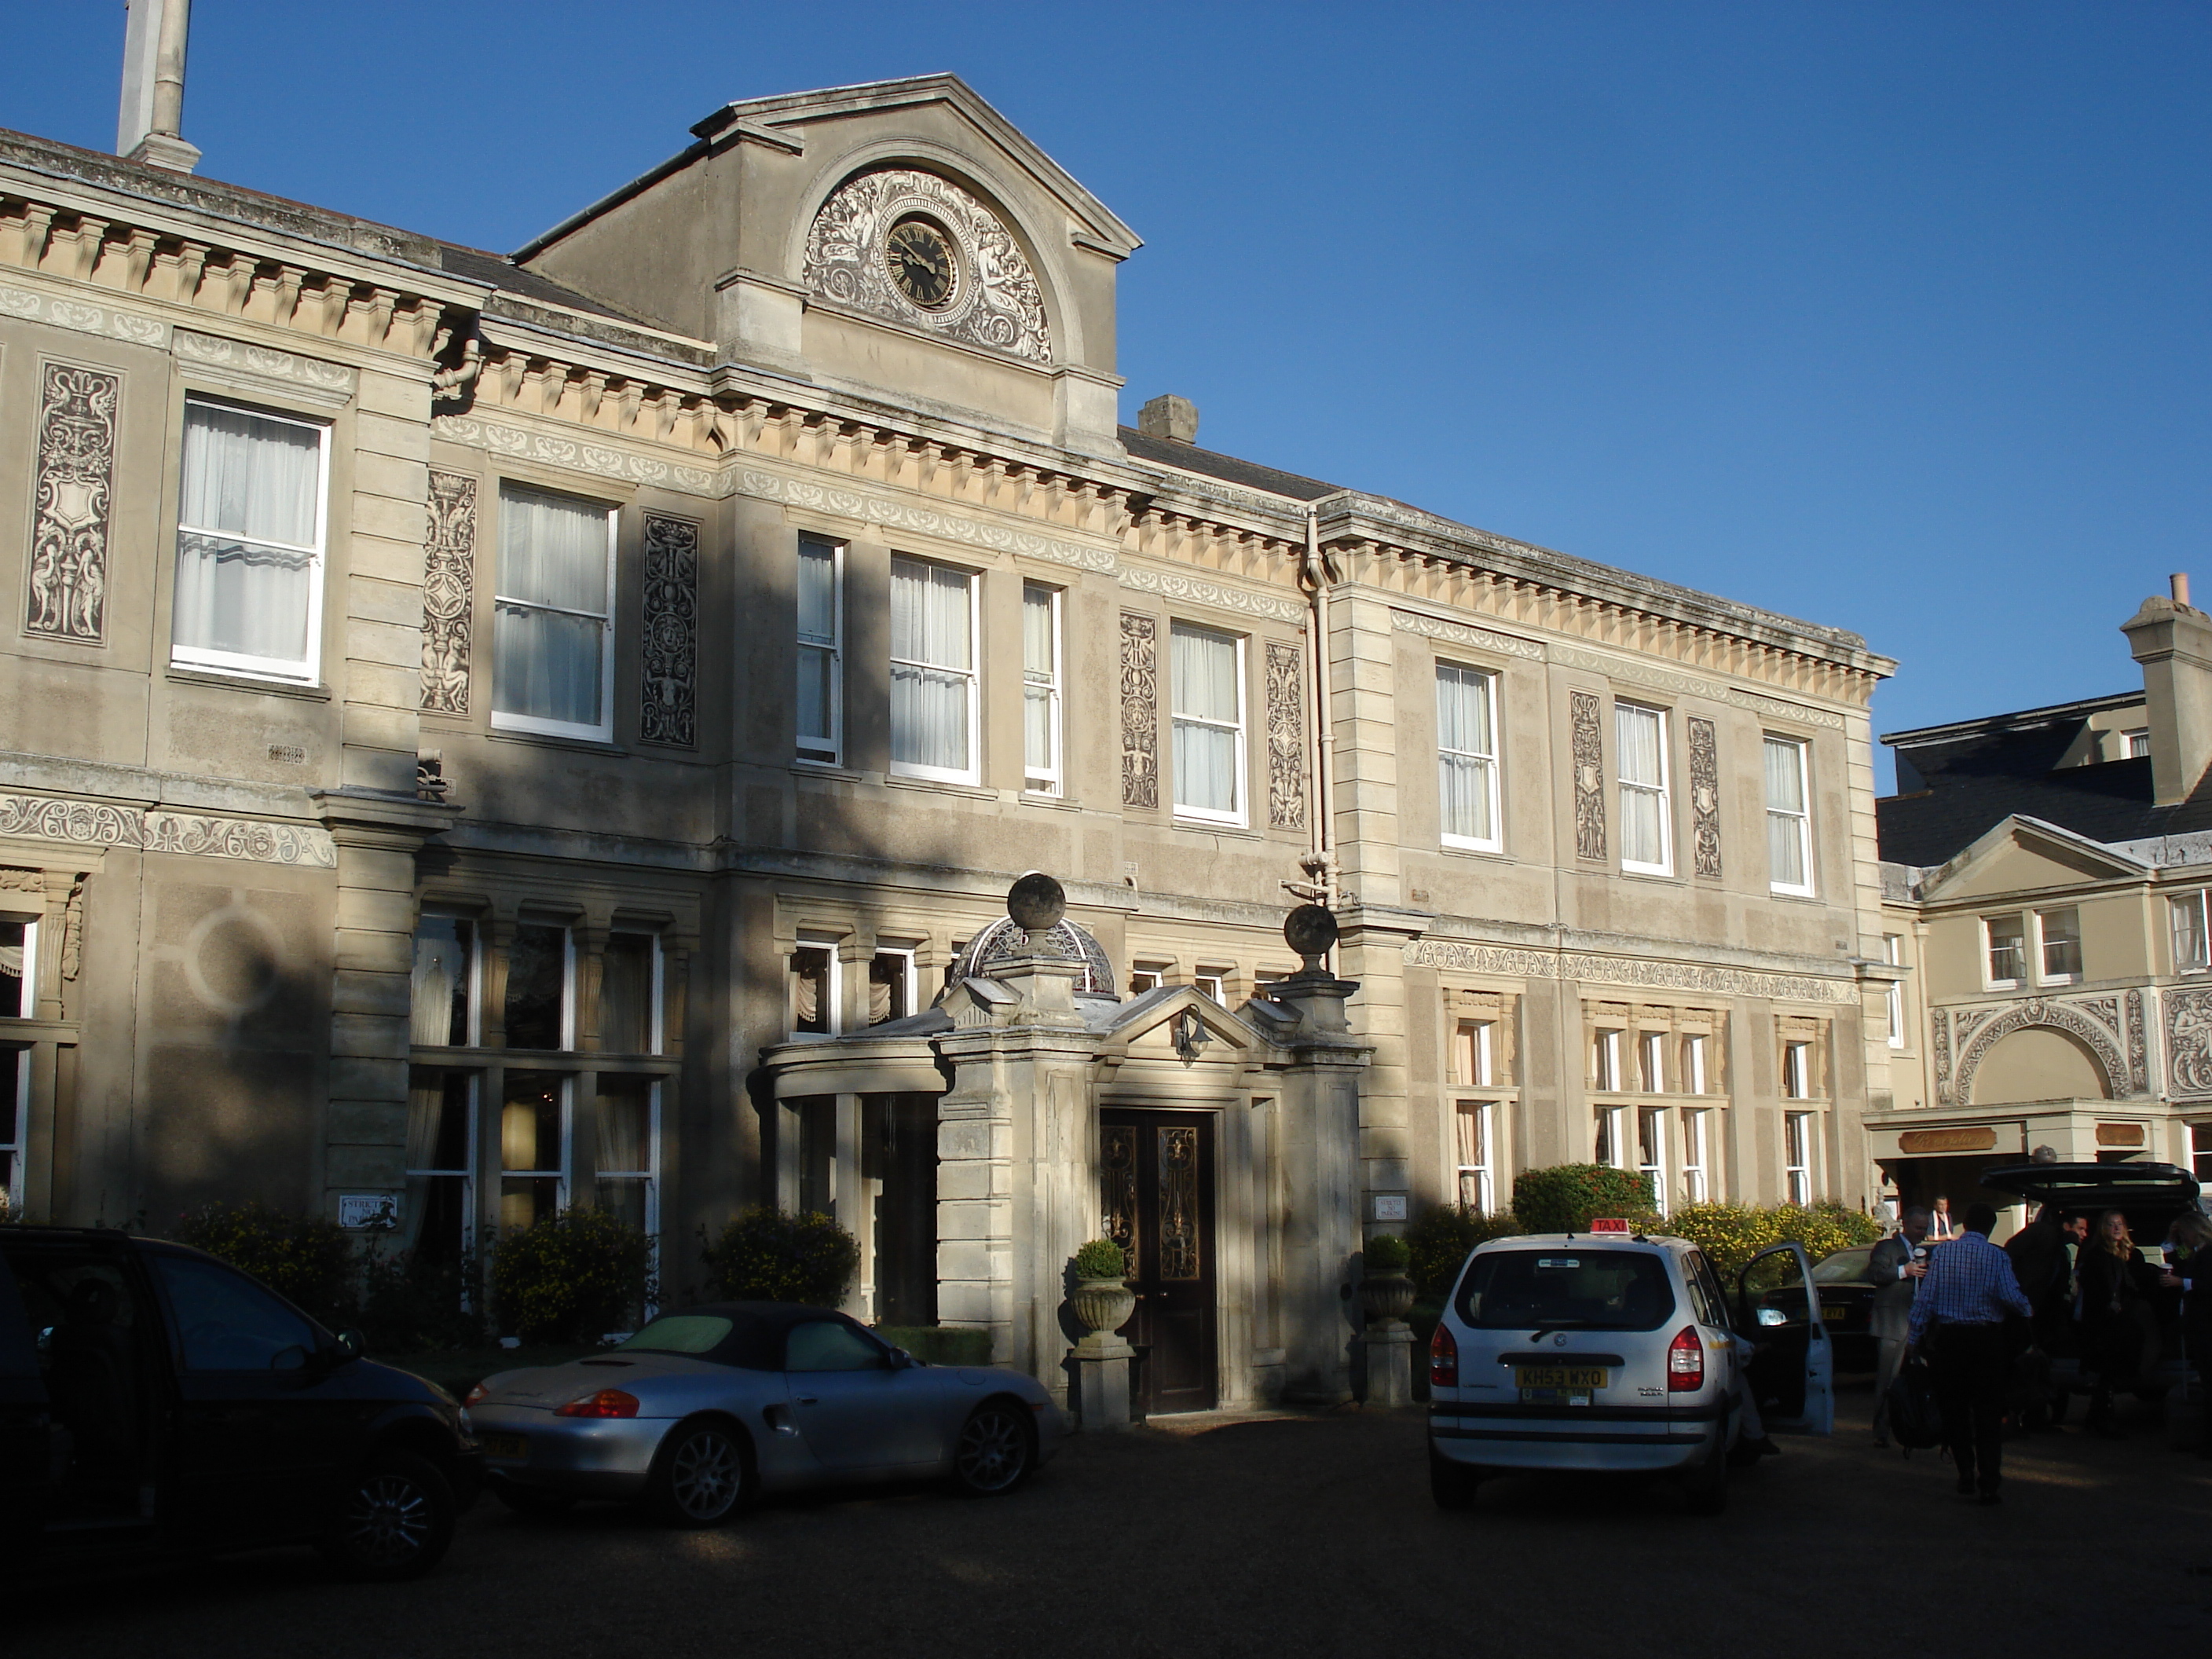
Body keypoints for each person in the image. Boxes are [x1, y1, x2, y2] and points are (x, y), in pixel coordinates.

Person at [1907, 1200, 2032, 1503]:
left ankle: (1965, 1470)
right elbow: (2012, 1298)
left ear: (1965, 1225)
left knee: (1955, 1411)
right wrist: (2028, 1310)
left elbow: (1926, 1299)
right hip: (1986, 1342)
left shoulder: (1944, 1254)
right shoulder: (1996, 1257)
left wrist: (1914, 1337)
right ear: (1990, 1229)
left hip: (1950, 1342)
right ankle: (1989, 1481)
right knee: (1988, 1415)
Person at [2078, 1210, 2159, 1438]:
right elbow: (2094, 1288)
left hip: (2119, 1320)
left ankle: (2097, 1418)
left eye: (2120, 1224)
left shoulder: (2128, 1255)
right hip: (2103, 1322)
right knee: (2108, 1369)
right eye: (2111, 1225)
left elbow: (2136, 1284)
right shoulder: (2097, 1255)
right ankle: (2102, 1419)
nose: (2116, 1228)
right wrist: (2109, 1305)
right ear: (2103, 1229)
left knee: (2108, 1372)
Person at [1870, 1207, 1931, 1447]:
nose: (1922, 1233)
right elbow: (1874, 1275)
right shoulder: (1887, 1247)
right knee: (1887, 1379)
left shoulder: (1924, 1251)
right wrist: (1903, 1271)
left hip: (1918, 1322)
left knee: (1924, 1377)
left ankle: (1923, 1424)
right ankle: (1880, 1432)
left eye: (1925, 1228)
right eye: (1918, 1228)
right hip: (1893, 1322)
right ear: (1904, 1224)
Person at [2159, 1214, 2212, 1457]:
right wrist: (2171, 1240)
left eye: (2184, 1233)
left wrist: (2185, 1283)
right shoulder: (2194, 1252)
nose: (2183, 1238)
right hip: (2198, 1326)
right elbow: (2177, 1261)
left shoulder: (2208, 1252)